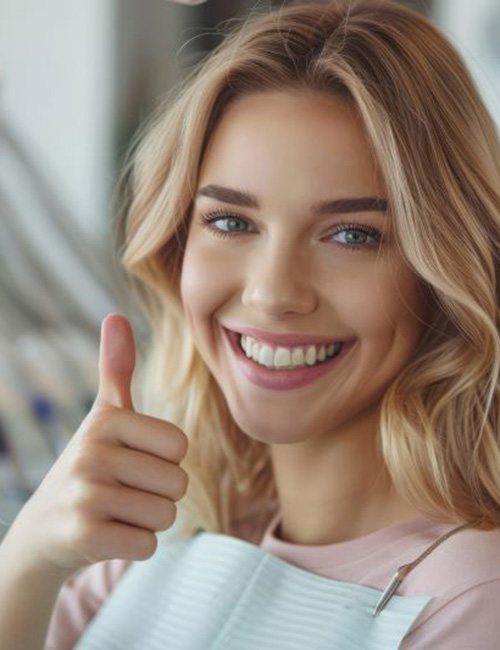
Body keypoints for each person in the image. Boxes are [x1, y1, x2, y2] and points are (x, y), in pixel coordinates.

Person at [1, 0, 499, 648]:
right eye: (232, 223)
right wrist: (30, 557)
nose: (270, 293)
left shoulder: (472, 602)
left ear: (445, 269)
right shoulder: (160, 533)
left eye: (351, 234)